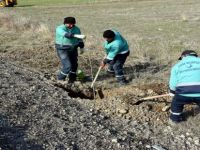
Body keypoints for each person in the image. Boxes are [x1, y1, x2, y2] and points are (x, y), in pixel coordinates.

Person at [169, 50, 200, 124]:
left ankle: (174, 119)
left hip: (183, 93)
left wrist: (172, 91)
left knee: (176, 103)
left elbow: (173, 82)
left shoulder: (177, 66)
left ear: (183, 56)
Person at [55, 17, 85, 83]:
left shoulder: (76, 29)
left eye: (72, 24)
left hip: (73, 49)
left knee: (74, 65)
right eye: (69, 24)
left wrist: (82, 47)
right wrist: (76, 36)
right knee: (67, 66)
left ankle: (72, 79)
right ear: (65, 23)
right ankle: (60, 80)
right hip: (62, 49)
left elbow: (80, 40)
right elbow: (66, 35)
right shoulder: (60, 28)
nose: (71, 25)